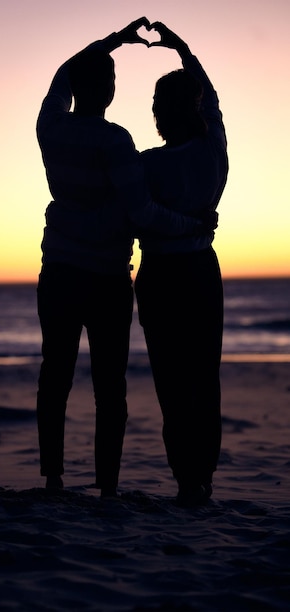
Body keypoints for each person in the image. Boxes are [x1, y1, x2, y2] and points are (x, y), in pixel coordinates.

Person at [36, 18, 210, 496]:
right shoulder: (117, 143)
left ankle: (53, 477)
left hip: (59, 272)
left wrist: (113, 40)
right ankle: (107, 487)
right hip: (107, 278)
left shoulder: (50, 127)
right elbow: (144, 213)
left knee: (56, 374)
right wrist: (193, 226)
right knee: (109, 390)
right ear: (109, 90)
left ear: (76, 88)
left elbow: (61, 74)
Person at [134, 23, 228, 507]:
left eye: (155, 106)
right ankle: (201, 478)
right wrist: (183, 49)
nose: (152, 114)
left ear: (163, 113)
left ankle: (187, 480)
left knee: (172, 381)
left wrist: (175, 226)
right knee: (202, 378)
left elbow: (141, 218)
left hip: (163, 276)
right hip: (200, 270)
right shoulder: (215, 151)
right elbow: (210, 98)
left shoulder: (147, 165)